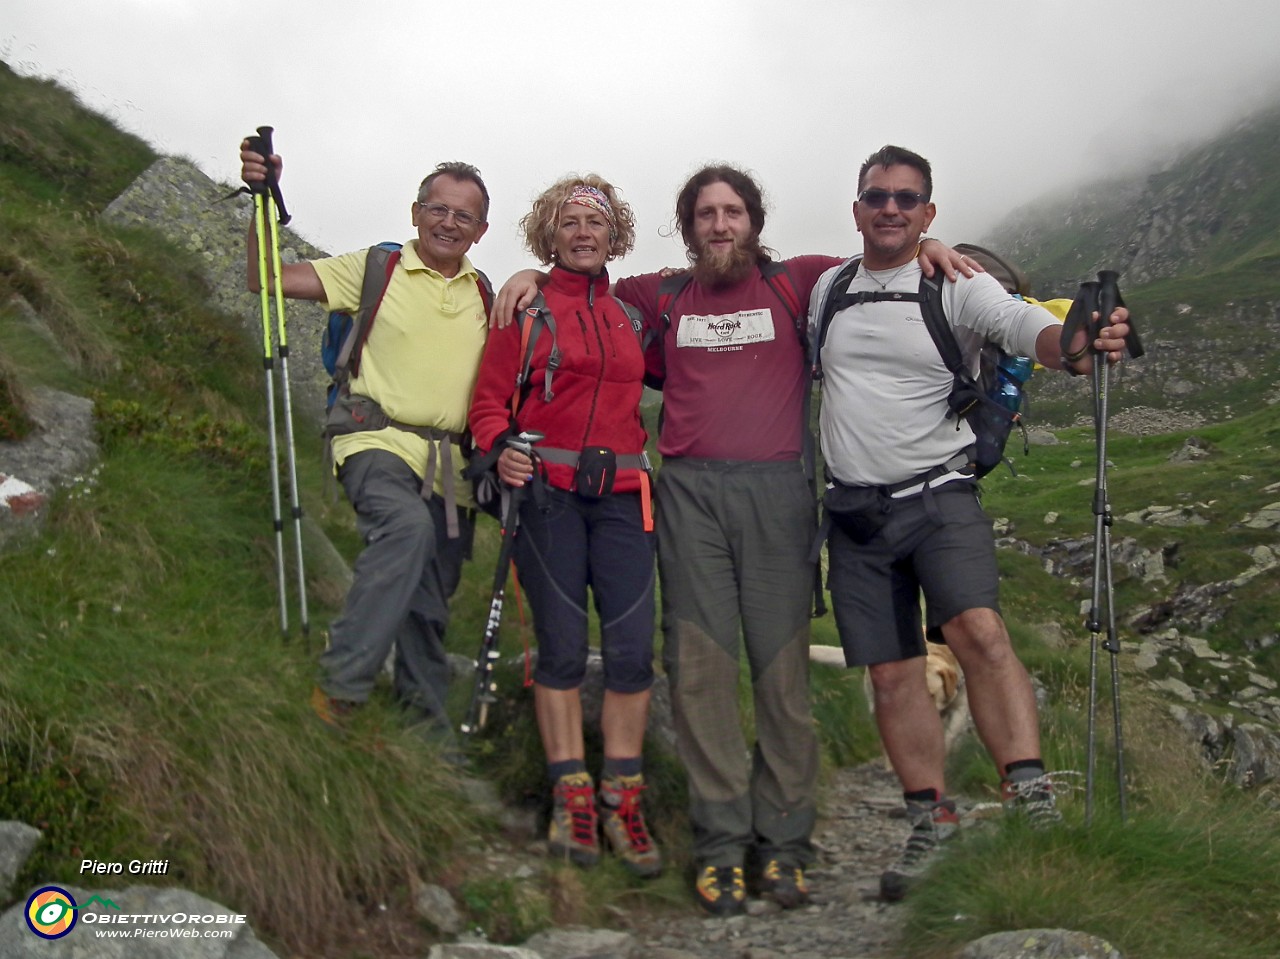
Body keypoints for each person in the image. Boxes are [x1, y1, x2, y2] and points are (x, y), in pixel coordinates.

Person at [495, 164, 972, 915]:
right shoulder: (658, 295)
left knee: (781, 680)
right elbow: (577, 288)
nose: (721, 225)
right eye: (706, 215)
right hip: (688, 495)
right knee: (700, 675)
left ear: (754, 221)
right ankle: (720, 844)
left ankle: (784, 845)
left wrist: (931, 242)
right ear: (688, 229)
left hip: (778, 496)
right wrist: (525, 269)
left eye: (734, 213)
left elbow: (884, 256)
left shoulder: (802, 282)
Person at [808, 145, 1133, 903]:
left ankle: (1031, 798)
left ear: (928, 212)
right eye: (877, 196)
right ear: (857, 208)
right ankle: (932, 821)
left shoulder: (957, 283)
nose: (890, 208)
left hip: (939, 494)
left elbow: (1031, 333)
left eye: (906, 198)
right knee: (892, 672)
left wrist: (1079, 341)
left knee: (980, 633)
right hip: (854, 507)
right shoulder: (827, 287)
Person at [240, 143, 491, 747]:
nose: (448, 222)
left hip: (450, 466)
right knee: (406, 532)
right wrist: (262, 203)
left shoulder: (486, 294)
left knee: (428, 609)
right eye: (438, 208)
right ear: (415, 212)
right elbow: (265, 279)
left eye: (463, 216)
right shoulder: (377, 267)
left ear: (480, 230)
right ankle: (341, 687)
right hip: (372, 438)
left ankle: (427, 739)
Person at [468, 175, 661, 877]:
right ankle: (570, 792)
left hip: (624, 494)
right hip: (546, 494)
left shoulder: (634, 311)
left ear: (615, 235)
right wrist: (498, 451)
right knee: (559, 649)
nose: (583, 233)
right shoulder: (523, 309)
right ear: (549, 235)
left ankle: (623, 796)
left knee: (633, 651)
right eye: (569, 222)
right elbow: (488, 404)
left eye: (595, 223)